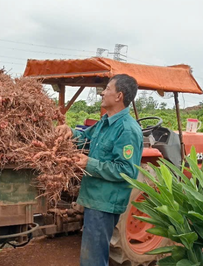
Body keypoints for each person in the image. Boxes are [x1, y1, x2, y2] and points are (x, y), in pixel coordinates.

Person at [56, 74, 144, 266]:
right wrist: (71, 133)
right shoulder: (105, 122)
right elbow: (85, 137)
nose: (102, 93)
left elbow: (127, 171)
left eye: (107, 89)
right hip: (95, 198)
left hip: (105, 202)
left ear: (119, 96)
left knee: (93, 260)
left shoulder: (127, 130)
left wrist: (90, 164)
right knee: (91, 256)